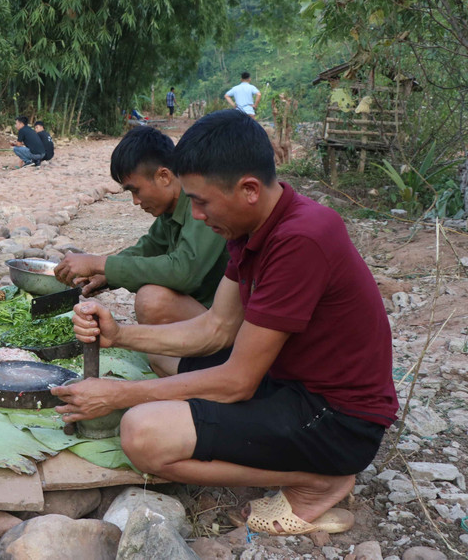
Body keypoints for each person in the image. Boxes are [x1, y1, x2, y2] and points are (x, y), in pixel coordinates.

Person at [53, 110, 397, 537]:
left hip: (335, 418)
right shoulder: (248, 228)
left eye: (201, 201)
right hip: (285, 382)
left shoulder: (301, 238)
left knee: (141, 432)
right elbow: (215, 327)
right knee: (162, 356)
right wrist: (120, 336)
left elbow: (237, 382)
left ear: (249, 189)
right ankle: (296, 464)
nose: (194, 215)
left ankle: (317, 480)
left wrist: (119, 395)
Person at [53, 126, 228, 326]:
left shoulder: (201, 205)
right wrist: (106, 275)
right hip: (206, 314)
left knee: (152, 301)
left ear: (164, 176)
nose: (135, 201)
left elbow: (184, 272)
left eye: (136, 191)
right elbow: (149, 247)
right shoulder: (171, 208)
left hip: (229, 325)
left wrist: (98, 263)